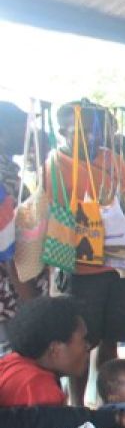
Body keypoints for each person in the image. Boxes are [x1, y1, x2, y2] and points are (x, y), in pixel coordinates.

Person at [50, 101, 125, 405]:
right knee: (81, 340)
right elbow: (52, 217)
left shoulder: (113, 160)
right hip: (82, 270)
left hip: (118, 265)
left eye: (93, 130)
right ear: (63, 131)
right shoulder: (55, 164)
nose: (90, 137)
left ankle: (107, 400)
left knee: (110, 337)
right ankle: (77, 404)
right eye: (80, 131)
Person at [0, 296, 90, 428]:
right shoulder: (39, 385)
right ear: (55, 349)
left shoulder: (12, 361)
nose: (88, 346)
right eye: (83, 340)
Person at [0, 101, 35, 352]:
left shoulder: (9, 172)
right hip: (9, 291)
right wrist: (28, 298)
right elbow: (7, 244)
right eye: (20, 128)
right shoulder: (4, 178)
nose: (26, 134)